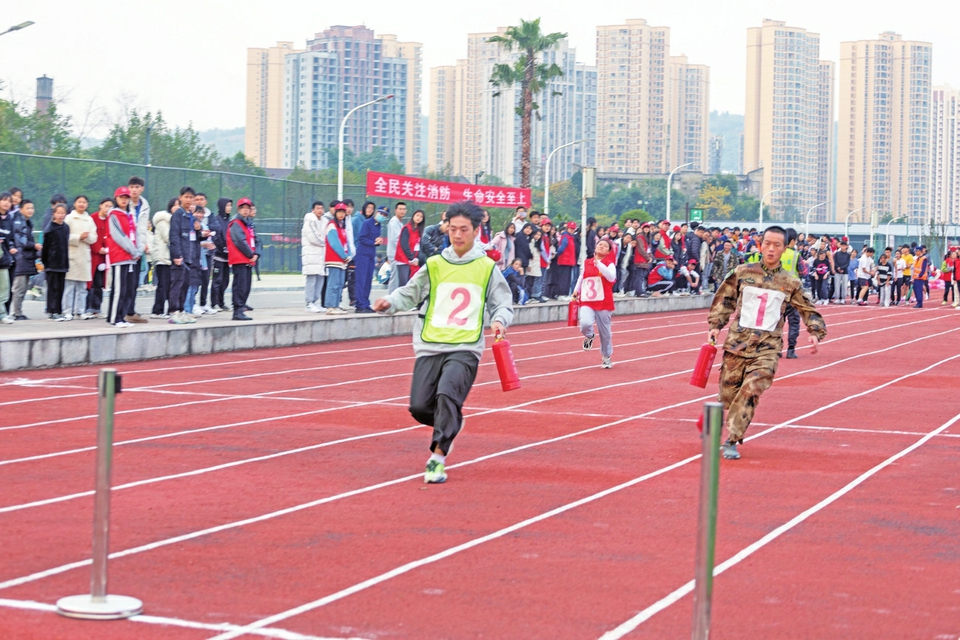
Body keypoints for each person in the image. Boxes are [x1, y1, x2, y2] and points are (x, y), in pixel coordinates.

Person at [373, 201, 513, 484]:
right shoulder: (435, 265)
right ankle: (451, 422)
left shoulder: (486, 267)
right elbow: (410, 293)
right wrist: (390, 302)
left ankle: (437, 458)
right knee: (420, 407)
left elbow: (503, 302)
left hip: (465, 348)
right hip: (430, 344)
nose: (458, 235)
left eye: (464, 229)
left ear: (476, 232)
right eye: (453, 229)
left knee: (447, 394)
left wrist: (499, 320)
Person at [707, 226, 827, 460]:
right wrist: (715, 325)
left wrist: (815, 331)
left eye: (777, 245)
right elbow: (725, 298)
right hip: (736, 345)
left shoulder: (790, 282)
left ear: (784, 249)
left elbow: (807, 308)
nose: (771, 249)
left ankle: (732, 439)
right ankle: (721, 422)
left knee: (752, 389)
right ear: (760, 245)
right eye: (767, 244)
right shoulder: (742, 272)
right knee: (728, 395)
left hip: (767, 349)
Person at [575, 237, 617, 368]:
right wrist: (576, 290)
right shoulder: (587, 262)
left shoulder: (609, 264)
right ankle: (589, 335)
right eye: (600, 244)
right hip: (587, 300)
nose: (601, 247)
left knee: (605, 332)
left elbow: (611, 277)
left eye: (605, 246)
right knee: (585, 323)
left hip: (604, 301)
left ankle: (606, 356)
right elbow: (582, 277)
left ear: (609, 251)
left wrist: (599, 264)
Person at [106, 187, 143, 326]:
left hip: (130, 258)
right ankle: (115, 318)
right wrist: (133, 251)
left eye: (126, 197)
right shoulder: (114, 214)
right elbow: (118, 236)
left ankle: (120, 316)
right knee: (118, 289)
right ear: (116, 198)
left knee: (127, 289)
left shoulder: (129, 215)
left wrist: (138, 250)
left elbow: (135, 233)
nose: (124, 199)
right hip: (120, 257)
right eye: (121, 197)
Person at [63, 195, 98, 320]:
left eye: (84, 202)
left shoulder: (89, 220)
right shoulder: (69, 218)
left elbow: (94, 237)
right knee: (69, 286)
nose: (82, 204)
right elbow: (64, 236)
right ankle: (67, 311)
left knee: (82, 287)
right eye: (79, 202)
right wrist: (78, 237)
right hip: (72, 255)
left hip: (84, 256)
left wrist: (87, 237)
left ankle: (81, 310)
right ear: (75, 203)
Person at [168, 187, 198, 324]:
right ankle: (174, 312)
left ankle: (182, 311)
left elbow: (192, 236)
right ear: (180, 198)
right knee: (177, 285)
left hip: (189, 256)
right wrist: (177, 255)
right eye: (186, 197)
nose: (188, 200)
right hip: (179, 257)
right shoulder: (178, 215)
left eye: (191, 197)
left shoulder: (190, 215)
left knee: (185, 285)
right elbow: (174, 236)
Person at [227, 198, 260, 320]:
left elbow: (255, 239)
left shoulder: (248, 223)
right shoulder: (236, 223)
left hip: (248, 260)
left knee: (246, 286)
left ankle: (241, 309)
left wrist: (256, 253)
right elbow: (239, 241)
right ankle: (237, 311)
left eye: (248, 208)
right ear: (239, 209)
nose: (246, 210)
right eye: (243, 208)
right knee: (240, 285)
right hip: (240, 259)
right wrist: (251, 254)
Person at [10, 199, 40, 321]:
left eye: (32, 208)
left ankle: (18, 312)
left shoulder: (27, 223)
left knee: (23, 288)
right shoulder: (19, 222)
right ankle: (16, 313)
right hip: (21, 259)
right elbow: (20, 242)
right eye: (27, 208)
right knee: (19, 288)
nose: (30, 210)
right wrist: (34, 246)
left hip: (27, 259)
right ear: (21, 209)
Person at [41, 203, 70, 321]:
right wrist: (46, 263)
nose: (60, 215)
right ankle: (52, 310)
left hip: (62, 263)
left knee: (61, 288)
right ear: (54, 214)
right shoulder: (50, 228)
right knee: (53, 288)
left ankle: (59, 310)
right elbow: (45, 248)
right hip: (52, 264)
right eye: (58, 213)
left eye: (62, 213)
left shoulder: (66, 227)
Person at [355, 205, 385, 314]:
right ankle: (359, 304)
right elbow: (361, 238)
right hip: (363, 254)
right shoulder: (367, 223)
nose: (382, 216)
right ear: (377, 212)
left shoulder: (378, 225)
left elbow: (373, 239)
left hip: (371, 254)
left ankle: (366, 303)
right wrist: (373, 242)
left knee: (368, 280)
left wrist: (377, 242)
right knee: (361, 280)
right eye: (381, 213)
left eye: (385, 215)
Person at [323, 202, 352, 314]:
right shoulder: (332, 225)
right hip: (334, 259)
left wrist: (348, 254)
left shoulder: (342, 227)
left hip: (342, 260)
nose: (341, 214)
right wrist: (344, 255)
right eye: (339, 212)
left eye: (343, 212)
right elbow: (334, 243)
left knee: (340, 284)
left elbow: (346, 243)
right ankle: (330, 306)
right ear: (335, 213)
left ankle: (336, 305)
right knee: (333, 283)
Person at [86, 198, 111, 318]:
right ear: (100, 206)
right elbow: (89, 235)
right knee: (88, 282)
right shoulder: (92, 218)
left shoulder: (111, 220)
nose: (108, 209)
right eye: (106, 206)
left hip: (104, 257)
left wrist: (107, 249)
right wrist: (97, 248)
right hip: (91, 255)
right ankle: (87, 307)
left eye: (110, 207)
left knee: (99, 283)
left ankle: (97, 308)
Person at [150, 198, 175, 318]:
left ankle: (167, 309)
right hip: (162, 258)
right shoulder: (164, 221)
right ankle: (157, 310)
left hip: (168, 258)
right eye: (176, 205)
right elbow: (168, 237)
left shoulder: (173, 221)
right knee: (163, 285)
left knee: (168, 285)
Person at [301, 201, 326, 313]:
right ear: (313, 210)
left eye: (321, 208)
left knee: (320, 280)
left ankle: (315, 302)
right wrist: (325, 242)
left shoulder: (324, 222)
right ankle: (309, 303)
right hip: (311, 255)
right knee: (311, 280)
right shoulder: (309, 222)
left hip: (321, 256)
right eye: (318, 208)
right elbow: (314, 238)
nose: (320, 210)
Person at [208, 198, 232, 312]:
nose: (229, 208)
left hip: (228, 257)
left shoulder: (229, 221)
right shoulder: (216, 220)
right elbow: (216, 236)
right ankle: (214, 303)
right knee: (217, 280)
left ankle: (221, 302)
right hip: (219, 255)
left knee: (225, 281)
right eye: (227, 205)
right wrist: (223, 248)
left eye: (230, 206)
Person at [395, 209, 424, 285]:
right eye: (417, 215)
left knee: (410, 284)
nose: (419, 218)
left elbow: (418, 246)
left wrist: (416, 258)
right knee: (403, 284)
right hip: (403, 259)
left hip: (413, 260)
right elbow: (404, 245)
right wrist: (411, 258)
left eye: (421, 217)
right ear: (413, 216)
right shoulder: (406, 228)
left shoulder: (419, 231)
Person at [386, 201, 407, 293]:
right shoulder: (394, 223)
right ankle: (390, 300)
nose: (402, 211)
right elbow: (396, 239)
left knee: (397, 279)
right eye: (400, 209)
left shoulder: (399, 223)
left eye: (404, 209)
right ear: (395, 210)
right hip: (395, 254)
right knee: (394, 279)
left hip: (398, 255)